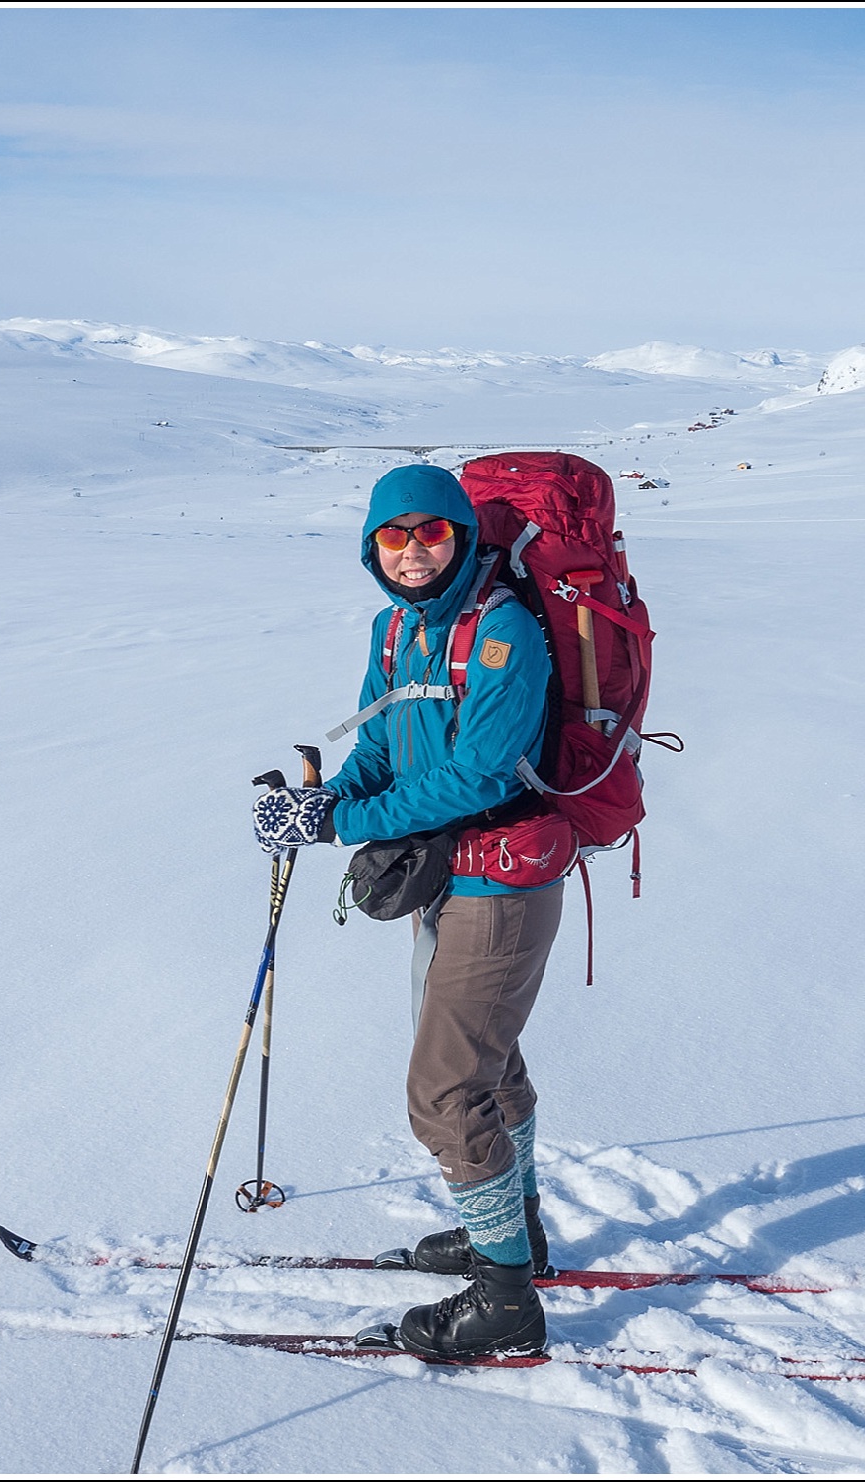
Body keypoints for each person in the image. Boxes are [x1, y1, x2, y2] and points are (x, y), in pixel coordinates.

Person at [251, 463, 563, 1359]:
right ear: (371, 547)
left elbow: (479, 776)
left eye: (431, 532)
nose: (414, 550)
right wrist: (326, 805)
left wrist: (342, 820)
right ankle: (516, 1233)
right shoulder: (395, 632)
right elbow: (383, 749)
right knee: (489, 1069)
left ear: (461, 536)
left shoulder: (503, 633)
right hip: (445, 879)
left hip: (503, 879)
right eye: (395, 535)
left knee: (445, 1092)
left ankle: (505, 1300)